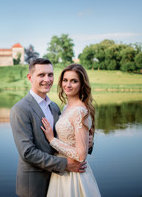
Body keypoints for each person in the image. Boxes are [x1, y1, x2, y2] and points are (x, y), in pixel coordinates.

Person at [10, 58, 87, 197]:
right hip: (34, 183)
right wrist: (65, 164)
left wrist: (86, 138)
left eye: (50, 74)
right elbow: (27, 153)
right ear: (30, 77)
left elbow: (65, 137)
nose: (47, 79)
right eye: (41, 75)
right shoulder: (20, 109)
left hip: (59, 181)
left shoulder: (54, 107)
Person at [41, 63, 101, 196]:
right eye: (65, 80)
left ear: (81, 84)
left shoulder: (80, 111)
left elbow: (81, 155)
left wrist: (52, 140)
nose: (68, 85)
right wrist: (87, 142)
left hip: (74, 175)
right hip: (62, 170)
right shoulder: (66, 107)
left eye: (74, 81)